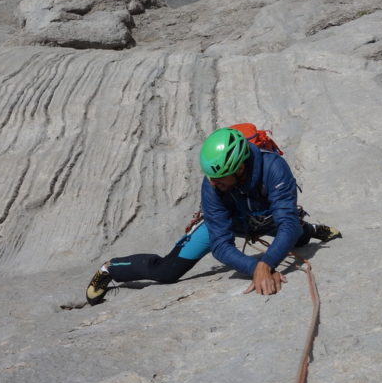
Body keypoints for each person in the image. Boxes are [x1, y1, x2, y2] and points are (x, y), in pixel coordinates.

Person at [86, 126, 340, 304]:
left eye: (219, 179)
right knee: (166, 272)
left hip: (265, 217)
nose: (213, 183)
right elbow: (220, 244)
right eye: (211, 178)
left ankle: (313, 229)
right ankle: (110, 269)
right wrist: (257, 267)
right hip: (230, 222)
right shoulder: (212, 185)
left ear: (239, 167)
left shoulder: (273, 167)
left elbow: (285, 221)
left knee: (294, 231)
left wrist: (266, 263)